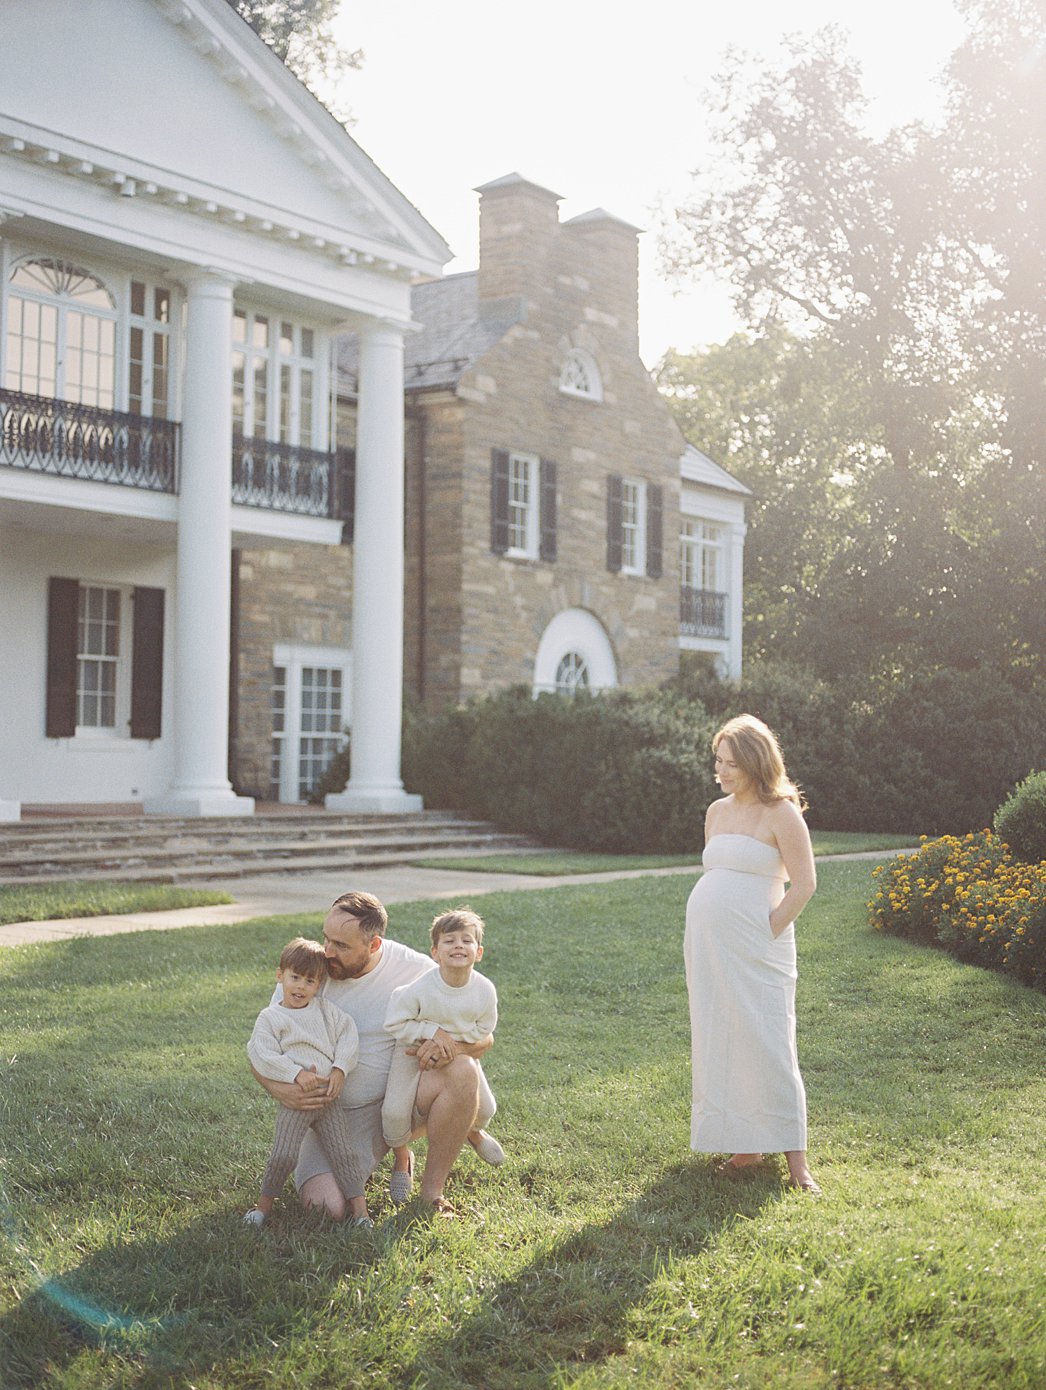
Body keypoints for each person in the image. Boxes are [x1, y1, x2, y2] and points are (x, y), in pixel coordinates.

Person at [250, 891, 503, 1221]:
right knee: (324, 1209)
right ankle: (389, 1156)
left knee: (463, 1070)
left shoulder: (418, 971)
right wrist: (275, 1087)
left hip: (402, 1097)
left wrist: (448, 1048)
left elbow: (485, 1040)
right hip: (333, 1116)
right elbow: (263, 1043)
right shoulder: (307, 972)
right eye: (327, 938)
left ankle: (431, 1195)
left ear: (374, 945)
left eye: (341, 946)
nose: (328, 952)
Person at [684, 714, 821, 1194]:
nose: (721, 772)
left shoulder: (782, 812)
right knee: (722, 1035)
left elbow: (804, 885)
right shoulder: (716, 812)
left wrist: (768, 930)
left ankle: (796, 1160)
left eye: (731, 764)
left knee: (769, 1041)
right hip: (710, 947)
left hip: (760, 948)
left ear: (757, 763)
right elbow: (717, 873)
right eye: (718, 762)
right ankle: (744, 1144)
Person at [243, 936, 366, 1226]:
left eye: (310, 981)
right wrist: (295, 1074)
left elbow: (348, 1036)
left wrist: (339, 1070)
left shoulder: (326, 1012)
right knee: (284, 1155)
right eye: (294, 977)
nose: (300, 987)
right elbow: (261, 1052)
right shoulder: (272, 1017)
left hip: (327, 1098)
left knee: (344, 1155)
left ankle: (361, 1213)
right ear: (280, 975)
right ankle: (262, 1208)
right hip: (299, 1099)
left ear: (319, 984)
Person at [381, 909, 502, 1177]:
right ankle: (402, 1159)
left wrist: (452, 1048)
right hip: (412, 1048)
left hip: (458, 1052)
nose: (458, 945)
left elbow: (485, 1027)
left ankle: (473, 1132)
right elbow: (394, 1023)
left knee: (486, 1109)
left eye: (466, 940)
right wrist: (432, 1032)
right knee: (393, 1115)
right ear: (435, 952)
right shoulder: (420, 989)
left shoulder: (484, 990)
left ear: (478, 952)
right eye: (449, 940)